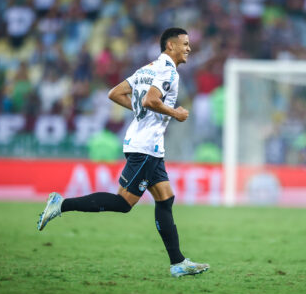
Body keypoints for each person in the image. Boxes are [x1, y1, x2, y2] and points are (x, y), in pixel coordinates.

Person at [37, 28, 209, 278]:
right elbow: (151, 100)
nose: (189, 48)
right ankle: (61, 204)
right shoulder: (168, 70)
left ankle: (178, 262)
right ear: (170, 46)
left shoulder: (146, 69)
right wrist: (176, 113)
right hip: (145, 148)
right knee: (124, 203)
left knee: (165, 198)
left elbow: (115, 93)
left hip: (149, 146)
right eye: (184, 44)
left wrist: (142, 111)